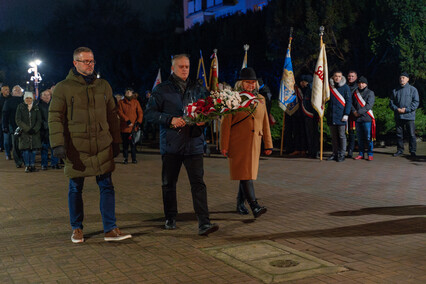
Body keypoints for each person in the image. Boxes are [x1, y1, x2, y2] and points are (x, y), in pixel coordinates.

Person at [49, 46, 131, 243]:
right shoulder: (63, 87)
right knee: (75, 188)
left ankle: (110, 228)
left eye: (92, 61)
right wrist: (58, 144)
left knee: (107, 186)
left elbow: (112, 115)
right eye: (86, 61)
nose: (90, 65)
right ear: (75, 63)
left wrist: (117, 140)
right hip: (76, 147)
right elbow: (55, 117)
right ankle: (77, 228)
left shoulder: (103, 85)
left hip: (102, 145)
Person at [145, 54, 219, 236]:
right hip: (172, 145)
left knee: (198, 184)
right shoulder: (161, 90)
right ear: (173, 68)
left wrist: (205, 120)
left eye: (187, 66)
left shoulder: (199, 88)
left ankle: (204, 222)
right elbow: (149, 114)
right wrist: (170, 119)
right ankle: (170, 217)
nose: (185, 69)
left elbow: (210, 109)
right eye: (181, 66)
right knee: (169, 183)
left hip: (194, 143)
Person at [220, 67, 273, 218]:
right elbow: (225, 124)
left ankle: (239, 203)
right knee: (246, 174)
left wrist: (268, 144)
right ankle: (254, 205)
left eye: (253, 82)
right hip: (238, 143)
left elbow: (265, 123)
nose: (250, 85)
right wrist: (224, 145)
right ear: (240, 83)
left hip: (255, 143)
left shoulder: (260, 99)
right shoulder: (232, 98)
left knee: (245, 173)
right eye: (247, 82)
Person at [389, 72, 420, 157]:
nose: (401, 79)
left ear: (407, 79)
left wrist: (406, 110)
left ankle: (412, 151)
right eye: (400, 78)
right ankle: (400, 150)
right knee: (399, 135)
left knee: (411, 134)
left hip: (409, 116)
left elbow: (416, 102)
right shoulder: (395, 90)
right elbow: (391, 103)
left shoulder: (413, 89)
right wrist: (396, 109)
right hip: (398, 116)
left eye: (403, 77)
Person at [326, 71, 352, 162]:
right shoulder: (329, 87)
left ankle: (342, 154)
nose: (337, 78)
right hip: (331, 115)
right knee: (333, 137)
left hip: (341, 115)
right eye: (336, 76)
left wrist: (346, 114)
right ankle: (335, 153)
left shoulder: (345, 87)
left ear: (342, 77)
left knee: (341, 136)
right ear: (333, 77)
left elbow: (348, 101)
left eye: (339, 76)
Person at [15, 92, 42, 172]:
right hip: (24, 132)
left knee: (33, 150)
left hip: (34, 132)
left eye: (30, 98)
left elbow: (39, 120)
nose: (28, 100)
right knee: (26, 149)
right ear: (24, 99)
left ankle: (32, 165)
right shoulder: (20, 107)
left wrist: (35, 129)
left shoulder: (36, 107)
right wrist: (27, 129)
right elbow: (18, 120)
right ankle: (27, 166)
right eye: (27, 98)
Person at [351, 76, 375, 161]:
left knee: (368, 137)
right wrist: (354, 111)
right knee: (359, 137)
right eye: (359, 83)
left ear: (366, 84)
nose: (361, 85)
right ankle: (361, 153)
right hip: (357, 118)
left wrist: (359, 112)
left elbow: (369, 105)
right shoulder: (354, 92)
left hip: (367, 118)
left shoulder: (370, 93)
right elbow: (351, 103)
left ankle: (370, 153)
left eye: (363, 83)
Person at [117, 87, 143, 164]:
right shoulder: (121, 102)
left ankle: (134, 158)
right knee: (125, 144)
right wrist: (127, 120)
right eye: (127, 91)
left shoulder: (136, 102)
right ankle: (125, 158)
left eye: (130, 91)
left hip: (134, 127)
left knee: (133, 144)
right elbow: (119, 112)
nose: (128, 93)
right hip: (124, 127)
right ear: (125, 93)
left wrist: (138, 121)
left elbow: (140, 112)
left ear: (132, 93)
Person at [2, 85, 24, 167]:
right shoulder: (8, 102)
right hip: (13, 126)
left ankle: (25, 159)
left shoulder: (26, 100)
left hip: (26, 126)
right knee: (16, 145)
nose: (18, 91)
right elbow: (5, 114)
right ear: (12, 93)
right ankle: (18, 161)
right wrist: (5, 126)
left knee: (24, 144)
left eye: (19, 90)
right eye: (16, 90)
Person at [38, 89, 60, 170]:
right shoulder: (38, 105)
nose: (47, 97)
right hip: (44, 130)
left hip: (53, 129)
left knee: (54, 147)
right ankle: (44, 164)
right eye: (45, 95)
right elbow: (39, 118)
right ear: (41, 97)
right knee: (44, 148)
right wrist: (45, 125)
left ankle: (54, 163)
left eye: (48, 95)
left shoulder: (54, 104)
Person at [300, 74, 319, 158]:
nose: (301, 83)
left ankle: (314, 152)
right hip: (309, 114)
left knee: (312, 134)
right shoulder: (308, 88)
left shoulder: (310, 88)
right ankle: (312, 151)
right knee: (311, 134)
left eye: (302, 82)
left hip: (311, 114)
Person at [346, 70, 358, 158]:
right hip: (344, 112)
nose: (351, 78)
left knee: (352, 133)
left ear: (356, 77)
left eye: (352, 76)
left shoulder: (358, 88)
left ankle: (350, 150)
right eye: (349, 76)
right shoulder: (344, 86)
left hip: (353, 113)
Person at [0, 85, 11, 152]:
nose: (7, 91)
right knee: (2, 134)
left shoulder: (11, 98)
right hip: (2, 119)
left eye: (8, 89)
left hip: (10, 119)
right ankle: (2, 146)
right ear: (2, 91)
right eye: (6, 89)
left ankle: (9, 147)